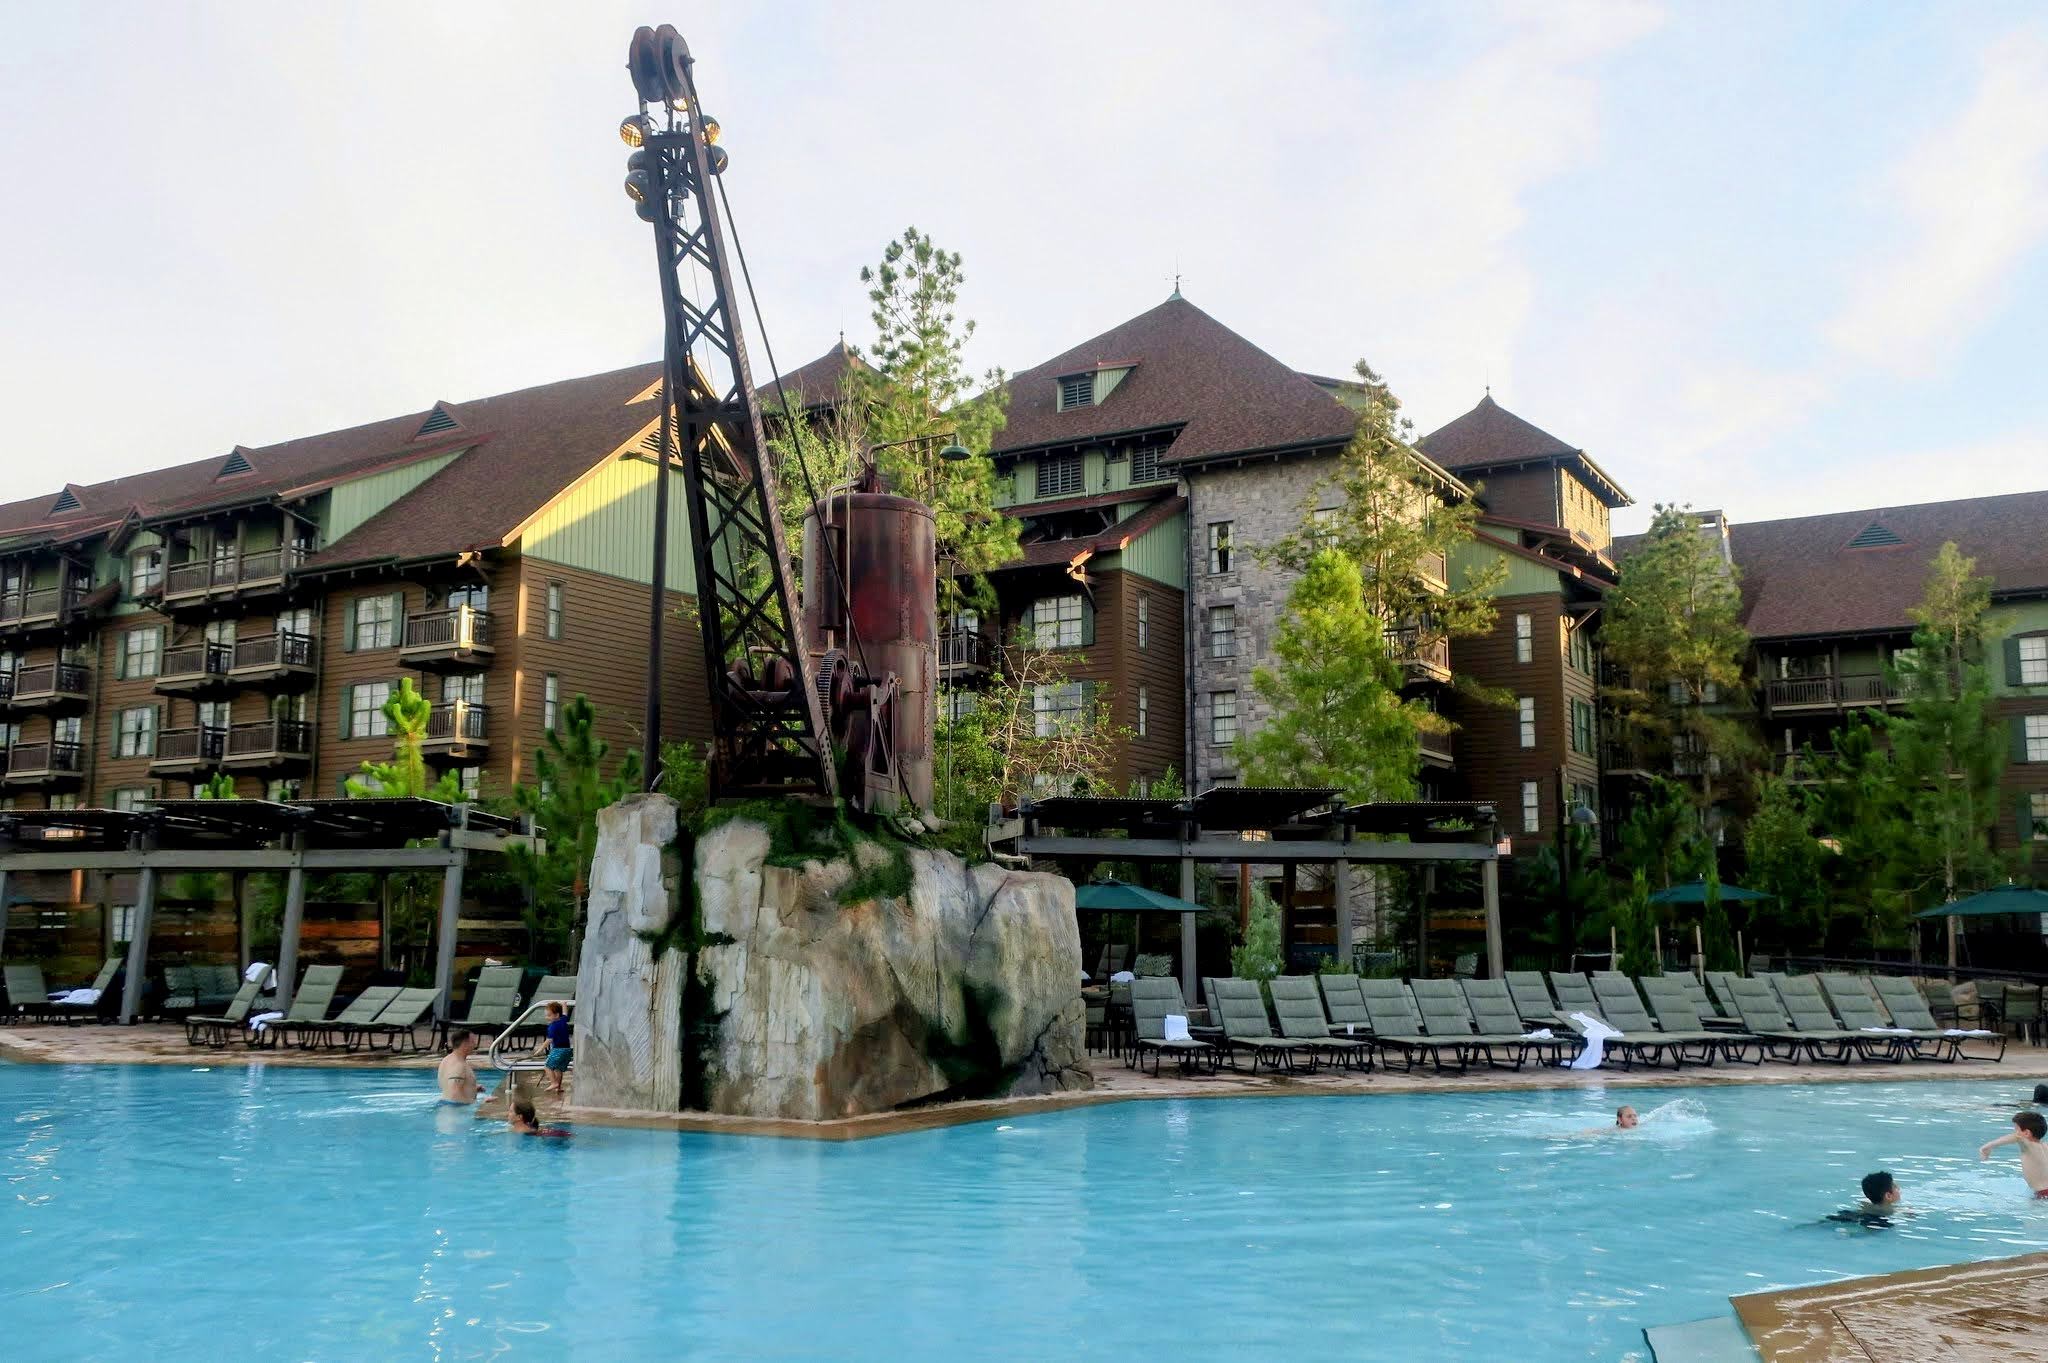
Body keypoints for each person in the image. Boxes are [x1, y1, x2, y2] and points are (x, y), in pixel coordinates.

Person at [1978, 1111, 2048, 1196]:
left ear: (2026, 1133)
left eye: (2016, 1130)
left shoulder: (2029, 1146)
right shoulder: (2045, 1147)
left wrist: (1986, 1147)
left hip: (2043, 1195)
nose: (2015, 1133)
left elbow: (2017, 1138)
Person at [1825, 1171, 1903, 1227]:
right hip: (1875, 1221)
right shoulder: (1891, 1210)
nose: (1899, 1189)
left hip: (1853, 1215)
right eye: (1896, 1188)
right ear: (1888, 1196)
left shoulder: (1867, 1204)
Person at [437, 1029, 482, 1104]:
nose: (475, 1045)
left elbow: (449, 1088)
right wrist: (479, 1104)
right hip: (457, 1112)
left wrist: (472, 1088)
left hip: (448, 1109)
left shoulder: (446, 1060)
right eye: (473, 1042)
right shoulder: (459, 1065)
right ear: (465, 1044)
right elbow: (454, 1095)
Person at [539, 1001, 572, 1096]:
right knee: (558, 1069)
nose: (547, 1018)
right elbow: (565, 1013)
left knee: (547, 1067)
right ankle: (559, 1087)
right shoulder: (562, 1020)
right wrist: (564, 1004)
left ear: (557, 1015)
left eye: (549, 1015)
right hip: (567, 1050)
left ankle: (554, 1083)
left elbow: (549, 1040)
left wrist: (540, 1049)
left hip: (558, 1050)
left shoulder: (552, 1026)